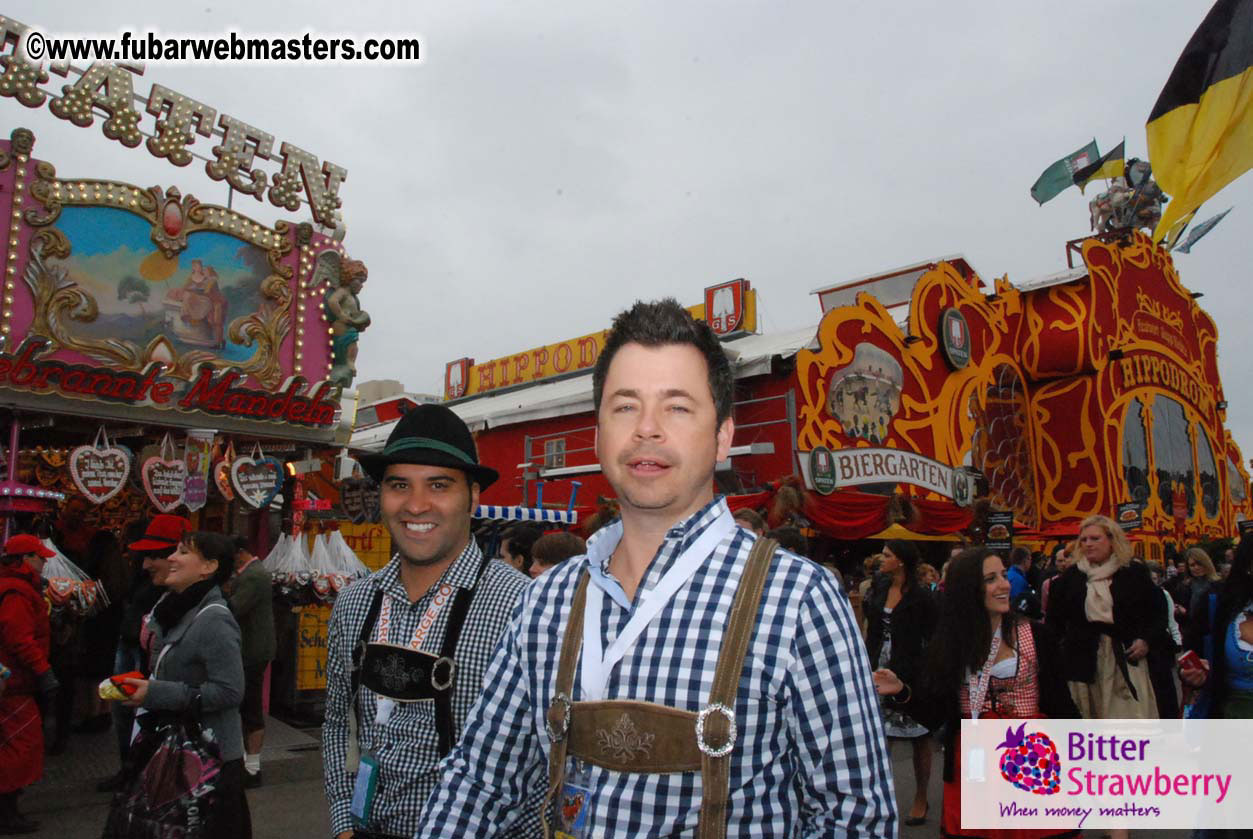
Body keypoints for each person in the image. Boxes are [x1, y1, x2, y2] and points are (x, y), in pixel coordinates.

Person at [416, 299, 896, 837]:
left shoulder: (798, 599)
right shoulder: (545, 600)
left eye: (677, 407)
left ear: (722, 437)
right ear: (598, 434)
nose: (647, 428)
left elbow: (854, 818)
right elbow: (481, 783)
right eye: (625, 407)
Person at [322, 404, 534, 839]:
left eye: (439, 485)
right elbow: (337, 723)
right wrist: (345, 820)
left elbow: (547, 756)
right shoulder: (355, 602)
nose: (416, 505)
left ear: (473, 497)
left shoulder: (523, 606)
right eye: (399, 485)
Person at [872, 547, 1080, 839]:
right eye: (991, 579)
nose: (1004, 585)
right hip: (974, 762)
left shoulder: (1036, 635)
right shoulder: (949, 643)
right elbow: (934, 714)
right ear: (969, 589)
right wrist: (902, 691)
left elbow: (1061, 705)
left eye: (1004, 575)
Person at [108, 531, 251, 836]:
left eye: (183, 552)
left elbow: (230, 691)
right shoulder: (176, 609)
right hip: (177, 750)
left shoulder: (215, 619)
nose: (171, 558)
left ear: (208, 567)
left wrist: (155, 692)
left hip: (210, 759)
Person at [97, 515, 189, 793]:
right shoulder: (153, 585)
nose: (147, 563)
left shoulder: (199, 609)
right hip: (132, 649)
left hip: (146, 663)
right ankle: (132, 769)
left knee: (139, 717)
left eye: (154, 556)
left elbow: (225, 691)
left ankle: (137, 772)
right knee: (126, 715)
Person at [1045, 514, 1163, 719]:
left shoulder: (1133, 573)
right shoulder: (1070, 578)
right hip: (1082, 661)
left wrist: (1145, 640)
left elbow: (1157, 613)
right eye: (1084, 539)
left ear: (1111, 540)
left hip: (1124, 659)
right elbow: (1054, 624)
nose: (1088, 544)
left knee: (1126, 724)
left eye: (1095, 538)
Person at [862, 539, 936, 826]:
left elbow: (932, 637)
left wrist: (925, 674)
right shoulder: (879, 587)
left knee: (919, 735)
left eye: (887, 555)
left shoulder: (922, 597)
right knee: (879, 737)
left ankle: (920, 797)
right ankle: (878, 798)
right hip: (877, 666)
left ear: (901, 561)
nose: (881, 559)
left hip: (910, 671)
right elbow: (872, 628)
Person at [0, 534, 59, 834]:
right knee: (21, 744)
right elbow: (19, 638)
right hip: (14, 683)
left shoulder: (17, 588)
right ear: (24, 559)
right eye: (40, 557)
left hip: (11, 681)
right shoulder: (17, 591)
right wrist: (44, 671)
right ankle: (6, 811)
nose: (45, 562)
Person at [225, 536, 276, 788]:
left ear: (241, 553)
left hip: (252, 651)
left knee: (250, 706)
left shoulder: (254, 576)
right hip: (250, 649)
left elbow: (234, 607)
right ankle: (247, 761)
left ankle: (253, 766)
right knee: (246, 704)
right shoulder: (250, 573)